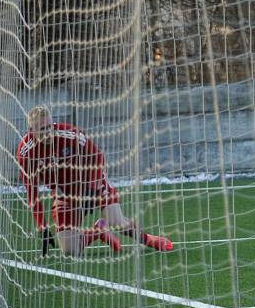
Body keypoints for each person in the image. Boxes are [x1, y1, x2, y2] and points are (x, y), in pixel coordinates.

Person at [16, 105, 173, 257]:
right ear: (31, 131)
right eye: (42, 129)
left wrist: (91, 188)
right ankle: (99, 229)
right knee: (70, 252)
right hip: (64, 192)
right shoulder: (25, 153)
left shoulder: (70, 134)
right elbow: (32, 193)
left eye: (50, 126)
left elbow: (97, 158)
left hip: (92, 180)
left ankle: (148, 239)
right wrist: (41, 226)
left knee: (116, 221)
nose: (48, 133)